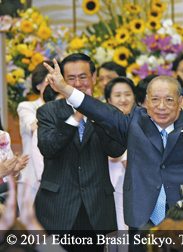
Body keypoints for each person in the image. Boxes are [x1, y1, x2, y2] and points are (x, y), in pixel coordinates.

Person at [43, 55, 183, 230]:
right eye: (154, 99)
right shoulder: (133, 121)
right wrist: (65, 88)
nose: (161, 107)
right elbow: (99, 109)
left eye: (168, 100)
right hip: (143, 216)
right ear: (145, 101)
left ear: (181, 100)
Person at [35, 53, 125, 251]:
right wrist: (77, 116)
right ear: (62, 81)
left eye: (83, 77)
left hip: (96, 207)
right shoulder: (48, 111)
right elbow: (48, 148)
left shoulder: (107, 111)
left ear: (94, 78)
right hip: (57, 207)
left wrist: (94, 113)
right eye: (71, 78)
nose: (78, 83)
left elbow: (116, 150)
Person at [16, 61, 54, 211]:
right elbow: (34, 128)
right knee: (30, 230)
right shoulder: (26, 106)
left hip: (59, 180)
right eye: (49, 80)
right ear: (38, 85)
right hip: (31, 181)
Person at [104, 76, 136, 230]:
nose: (123, 99)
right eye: (117, 95)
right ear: (109, 100)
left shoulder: (142, 122)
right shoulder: (103, 125)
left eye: (128, 94)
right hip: (109, 191)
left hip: (135, 190)